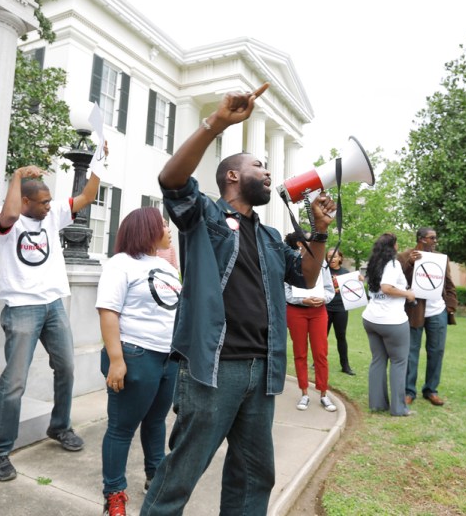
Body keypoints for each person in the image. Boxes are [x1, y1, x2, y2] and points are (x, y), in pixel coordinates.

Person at [140, 83, 334, 516]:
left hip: (261, 371)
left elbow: (306, 276)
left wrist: (319, 230)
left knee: (254, 475)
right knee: (182, 473)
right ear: (232, 176)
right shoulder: (204, 216)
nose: (268, 173)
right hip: (213, 369)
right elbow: (171, 181)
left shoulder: (269, 236)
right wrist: (217, 122)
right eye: (258, 165)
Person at [0, 156, 103, 482]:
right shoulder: (4, 218)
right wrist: (17, 175)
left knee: (66, 367)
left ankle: (60, 426)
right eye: (43, 202)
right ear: (25, 201)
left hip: (53, 304)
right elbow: (9, 215)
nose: (50, 206)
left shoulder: (52, 215)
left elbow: (86, 196)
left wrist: (99, 164)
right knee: (14, 382)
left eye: (50, 201)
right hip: (22, 307)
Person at [96, 208, 181, 515]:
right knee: (121, 428)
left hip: (168, 358)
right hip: (135, 355)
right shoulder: (120, 264)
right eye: (163, 225)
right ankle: (114, 493)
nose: (169, 231)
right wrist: (116, 360)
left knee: (156, 421)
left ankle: (155, 477)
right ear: (147, 229)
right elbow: (108, 311)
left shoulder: (166, 266)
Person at [397, 227, 457, 406]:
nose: (435, 241)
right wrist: (410, 263)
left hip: (438, 311)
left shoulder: (441, 258)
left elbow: (449, 284)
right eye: (432, 238)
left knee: (436, 351)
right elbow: (398, 281)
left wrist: (450, 306)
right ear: (421, 239)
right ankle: (409, 391)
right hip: (414, 311)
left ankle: (431, 390)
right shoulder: (404, 256)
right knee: (411, 352)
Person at [362, 233, 415, 417]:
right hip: (392, 321)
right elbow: (387, 287)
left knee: (378, 360)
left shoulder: (374, 263)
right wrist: (408, 294)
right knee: (399, 362)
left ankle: (378, 405)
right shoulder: (393, 264)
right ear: (393, 246)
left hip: (371, 319)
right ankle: (399, 408)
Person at [284, 233, 337, 412]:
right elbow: (285, 290)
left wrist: (323, 299)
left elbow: (329, 290)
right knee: (300, 352)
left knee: (320, 353)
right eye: (309, 240)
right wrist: (302, 300)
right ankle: (304, 393)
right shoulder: (291, 261)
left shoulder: (322, 263)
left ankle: (323, 394)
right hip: (296, 311)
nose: (313, 243)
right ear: (300, 243)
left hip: (318, 311)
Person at [326, 249, 356, 375]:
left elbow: (353, 289)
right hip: (325, 308)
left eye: (335, 256)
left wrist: (359, 279)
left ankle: (345, 366)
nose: (332, 259)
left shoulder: (346, 273)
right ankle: (318, 361)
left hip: (341, 309)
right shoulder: (323, 271)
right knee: (322, 337)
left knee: (341, 337)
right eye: (329, 256)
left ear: (340, 258)